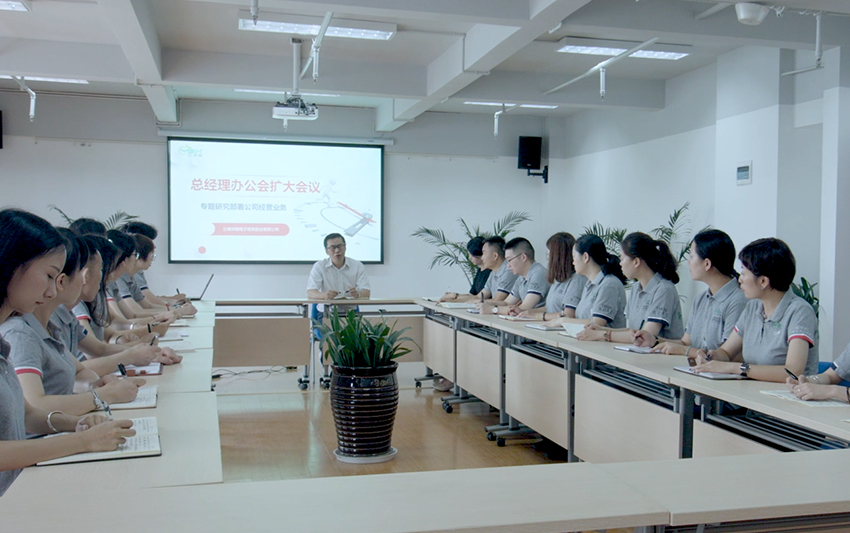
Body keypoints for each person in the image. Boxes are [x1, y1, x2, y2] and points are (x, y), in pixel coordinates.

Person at [0, 208, 135, 496]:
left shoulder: (3, 340)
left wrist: (76, 424)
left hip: (18, 489)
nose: (52, 291)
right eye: (49, 275)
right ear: (12, 264)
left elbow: (26, 414)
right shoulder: (17, 332)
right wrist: (83, 441)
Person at [2, 229, 149, 416]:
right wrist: (102, 395)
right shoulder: (19, 332)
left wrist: (94, 386)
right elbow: (34, 408)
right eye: (50, 275)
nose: (106, 277)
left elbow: (79, 371)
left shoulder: (50, 325)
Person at [692, 238, 818, 382]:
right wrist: (712, 357)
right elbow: (726, 352)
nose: (740, 279)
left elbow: (792, 372)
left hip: (787, 393)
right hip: (750, 391)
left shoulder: (799, 311)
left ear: (763, 281)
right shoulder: (752, 307)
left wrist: (737, 368)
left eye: (743, 273)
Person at [639, 230, 747, 357]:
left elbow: (728, 356)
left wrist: (686, 351)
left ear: (707, 264)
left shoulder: (738, 300)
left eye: (691, 256)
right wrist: (654, 340)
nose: (688, 262)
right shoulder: (701, 299)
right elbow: (685, 342)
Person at [577, 232, 683, 343]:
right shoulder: (636, 287)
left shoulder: (664, 289)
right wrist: (602, 329)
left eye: (622, 259)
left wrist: (603, 335)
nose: (620, 263)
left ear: (636, 262)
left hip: (659, 353)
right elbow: (631, 331)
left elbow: (643, 337)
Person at [542, 234, 627, 328]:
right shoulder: (589, 284)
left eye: (574, 257)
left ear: (585, 257)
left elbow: (596, 324)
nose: (573, 262)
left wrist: (563, 321)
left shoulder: (609, 284)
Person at [517, 233, 585, 321]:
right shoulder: (558, 279)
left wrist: (537, 316)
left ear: (557, 258)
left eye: (548, 256)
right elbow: (549, 308)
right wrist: (525, 312)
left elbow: (568, 314)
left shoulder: (577, 279)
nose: (548, 261)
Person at [477, 237, 550, 315]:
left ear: (523, 257)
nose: (508, 265)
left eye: (509, 260)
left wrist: (493, 309)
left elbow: (523, 308)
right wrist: (484, 303)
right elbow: (507, 303)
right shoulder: (521, 278)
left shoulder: (539, 274)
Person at [121, 221, 186, 306]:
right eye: (148, 242)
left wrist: (169, 300)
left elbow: (144, 300)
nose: (153, 246)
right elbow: (143, 304)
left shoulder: (134, 272)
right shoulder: (124, 274)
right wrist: (174, 306)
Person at [307, 233, 371, 300]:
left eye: (340, 246)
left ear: (345, 247)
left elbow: (366, 292)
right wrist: (325, 295)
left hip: (350, 306)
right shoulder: (319, 266)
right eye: (332, 248)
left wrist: (358, 294)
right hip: (327, 306)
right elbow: (310, 293)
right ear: (326, 251)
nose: (337, 250)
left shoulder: (357, 266)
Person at [438, 236, 491, 302]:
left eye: (472, 255)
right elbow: (471, 295)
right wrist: (453, 296)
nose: (470, 258)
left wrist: (455, 297)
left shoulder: (491, 273)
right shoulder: (479, 271)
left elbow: (478, 298)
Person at [474, 236, 518, 304]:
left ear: (495, 256)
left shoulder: (509, 271)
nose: (482, 258)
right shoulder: (493, 273)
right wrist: (459, 300)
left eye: (484, 253)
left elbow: (497, 300)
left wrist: (474, 302)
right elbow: (480, 296)